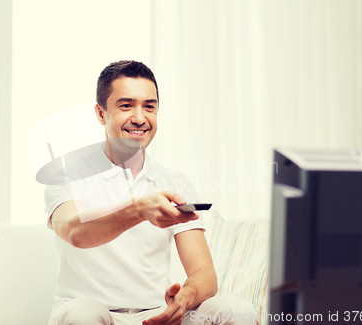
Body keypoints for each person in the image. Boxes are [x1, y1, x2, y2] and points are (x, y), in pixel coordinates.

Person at [44, 60, 257, 325]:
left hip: (155, 314)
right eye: (126, 105)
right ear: (100, 113)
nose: (140, 117)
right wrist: (140, 209)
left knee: (235, 310)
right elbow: (75, 231)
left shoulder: (174, 182)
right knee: (84, 315)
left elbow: (204, 273)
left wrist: (184, 300)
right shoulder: (67, 175)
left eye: (149, 106)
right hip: (91, 313)